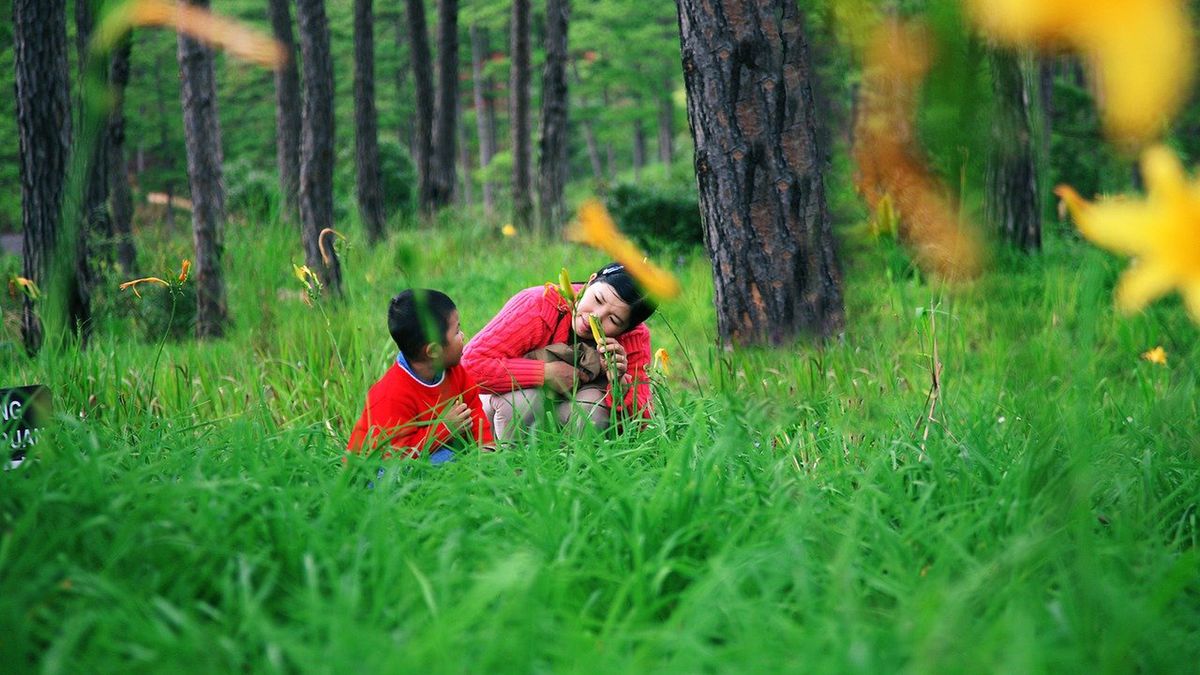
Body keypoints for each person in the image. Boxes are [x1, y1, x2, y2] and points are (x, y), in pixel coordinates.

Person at [462, 263, 656, 440]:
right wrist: (545, 373)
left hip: (568, 414)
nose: (594, 317)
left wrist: (619, 384)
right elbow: (469, 365)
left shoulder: (634, 338)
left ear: (628, 328)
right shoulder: (540, 304)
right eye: (598, 299)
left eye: (613, 320)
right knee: (524, 402)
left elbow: (643, 421)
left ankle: (571, 464)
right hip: (505, 409)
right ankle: (507, 460)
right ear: (591, 281)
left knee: (593, 408)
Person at [347, 289, 494, 463]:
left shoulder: (455, 371)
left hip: (431, 451)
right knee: (450, 459)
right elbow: (395, 457)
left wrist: (487, 450)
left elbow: (474, 411)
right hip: (376, 467)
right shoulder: (392, 394)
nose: (463, 336)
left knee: (458, 456)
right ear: (433, 351)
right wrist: (443, 428)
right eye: (456, 332)